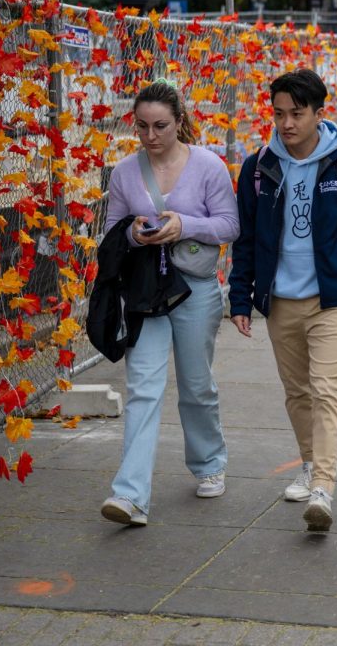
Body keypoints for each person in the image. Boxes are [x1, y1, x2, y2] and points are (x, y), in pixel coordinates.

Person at [229, 69, 337, 533]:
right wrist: (240, 297)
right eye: (279, 114)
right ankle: (308, 463)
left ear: (319, 114)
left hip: (332, 298)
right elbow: (246, 240)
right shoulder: (259, 167)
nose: (286, 123)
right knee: (297, 392)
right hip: (280, 299)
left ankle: (323, 485)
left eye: (296, 114)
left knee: (326, 390)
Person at [100, 80, 240, 526]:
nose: (150, 136)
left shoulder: (208, 166)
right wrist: (133, 233)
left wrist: (185, 225)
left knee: (196, 384)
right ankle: (131, 496)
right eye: (141, 126)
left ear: (180, 121)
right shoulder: (124, 171)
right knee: (142, 388)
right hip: (145, 290)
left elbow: (229, 225)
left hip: (195, 287)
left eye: (160, 126)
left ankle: (209, 462)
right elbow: (112, 231)